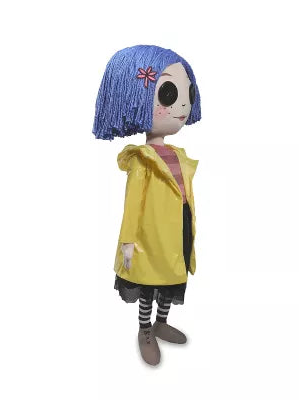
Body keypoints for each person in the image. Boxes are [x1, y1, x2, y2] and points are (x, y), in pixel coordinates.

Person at [93, 45, 201, 366]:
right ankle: (145, 330)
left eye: (187, 93)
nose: (183, 104)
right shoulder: (141, 160)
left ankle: (161, 322)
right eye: (169, 94)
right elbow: (132, 205)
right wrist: (128, 241)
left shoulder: (178, 155)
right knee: (149, 283)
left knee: (172, 278)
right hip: (151, 236)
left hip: (178, 228)